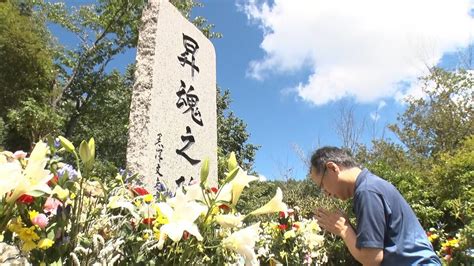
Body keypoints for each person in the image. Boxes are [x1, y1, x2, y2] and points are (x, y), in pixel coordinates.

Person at [311, 146, 441, 265]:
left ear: (333, 168)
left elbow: (372, 260)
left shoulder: (367, 191)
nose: (326, 193)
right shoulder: (370, 185)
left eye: (322, 185)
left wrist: (344, 229)